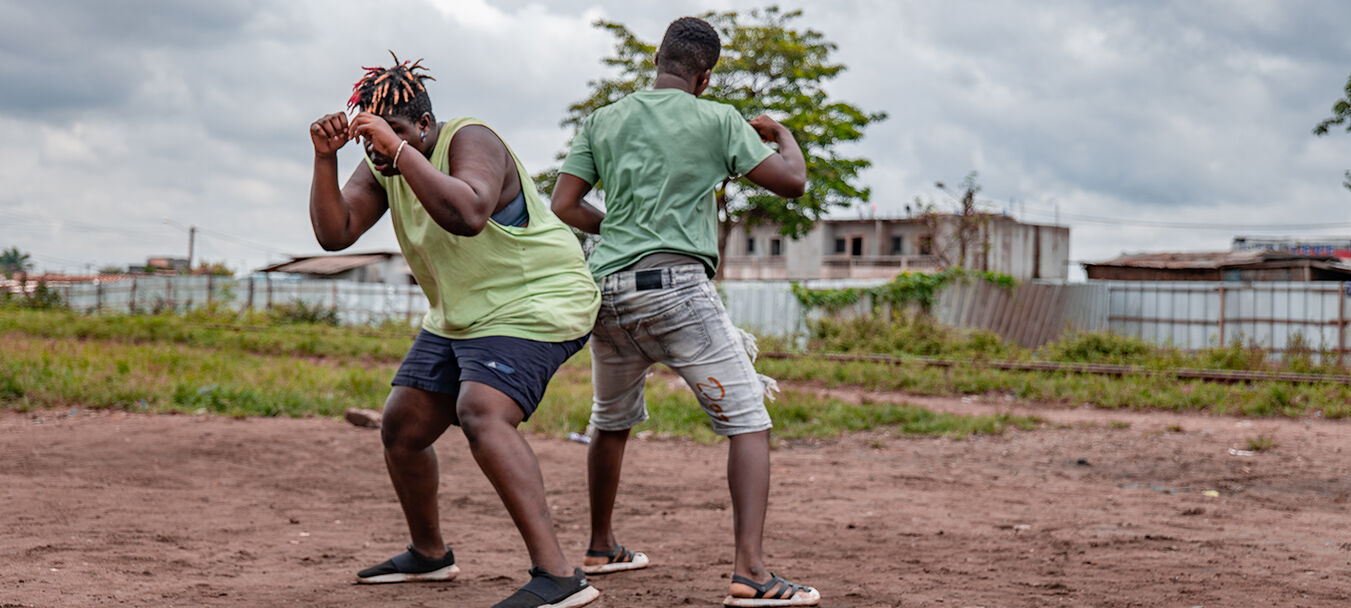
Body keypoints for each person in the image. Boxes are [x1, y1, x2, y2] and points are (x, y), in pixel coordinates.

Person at [308, 52, 601, 608]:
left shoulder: (471, 139)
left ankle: (559, 576)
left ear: (423, 125)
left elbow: (466, 214)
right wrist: (325, 161)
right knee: (402, 427)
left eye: (394, 131)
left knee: (482, 411)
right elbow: (336, 233)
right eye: (369, 134)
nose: (377, 145)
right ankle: (429, 554)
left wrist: (395, 150)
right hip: (463, 313)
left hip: (536, 301)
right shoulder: (384, 164)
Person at [550, 17, 821, 608]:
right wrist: (781, 133)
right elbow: (793, 183)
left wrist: (619, 229)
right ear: (704, 77)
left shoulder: (603, 119)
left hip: (608, 293)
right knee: (748, 419)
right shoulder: (718, 118)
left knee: (610, 420)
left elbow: (564, 204)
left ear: (658, 59)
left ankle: (601, 545)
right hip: (675, 289)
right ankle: (750, 572)